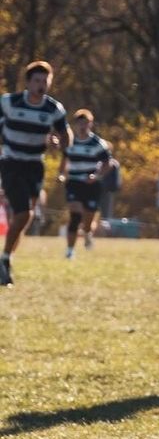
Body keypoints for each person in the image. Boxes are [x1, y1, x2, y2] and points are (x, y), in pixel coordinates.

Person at [0, 61, 72, 286]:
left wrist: (58, 141)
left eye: (45, 81)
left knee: (25, 216)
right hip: (12, 163)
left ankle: (6, 257)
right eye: (37, 81)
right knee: (23, 214)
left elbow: (65, 137)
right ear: (28, 82)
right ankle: (4, 259)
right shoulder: (9, 102)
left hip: (35, 165)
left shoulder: (53, 109)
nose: (41, 85)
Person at [57, 109, 116, 258]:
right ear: (75, 124)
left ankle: (88, 233)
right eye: (80, 123)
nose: (83, 126)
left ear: (91, 124)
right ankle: (70, 251)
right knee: (75, 216)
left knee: (88, 220)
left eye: (86, 123)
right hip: (74, 183)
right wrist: (61, 175)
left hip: (91, 184)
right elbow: (64, 161)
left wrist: (96, 176)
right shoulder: (70, 142)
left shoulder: (97, 143)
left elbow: (108, 163)